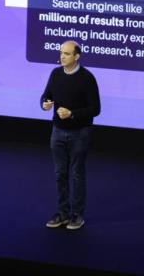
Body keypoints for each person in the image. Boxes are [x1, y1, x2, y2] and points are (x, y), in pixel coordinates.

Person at [40, 40, 101, 230]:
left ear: (77, 56)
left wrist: (72, 113)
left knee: (76, 174)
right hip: (57, 131)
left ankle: (77, 215)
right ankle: (63, 213)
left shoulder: (87, 78)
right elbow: (46, 96)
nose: (62, 57)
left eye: (66, 54)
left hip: (80, 133)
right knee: (60, 174)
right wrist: (45, 104)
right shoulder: (56, 74)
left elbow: (95, 109)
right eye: (61, 53)